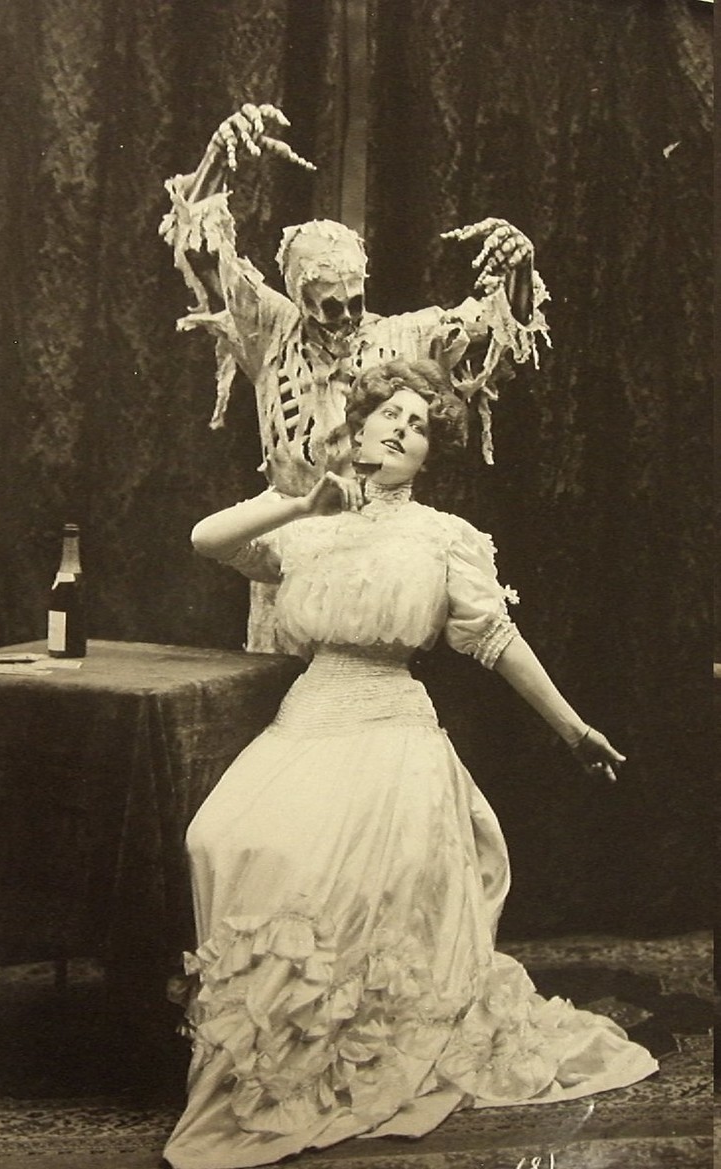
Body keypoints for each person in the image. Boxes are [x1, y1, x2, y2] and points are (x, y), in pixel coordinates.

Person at [162, 359, 657, 1169]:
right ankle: (271, 1048)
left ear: (429, 453)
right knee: (219, 838)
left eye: (418, 425)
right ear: (356, 428)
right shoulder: (308, 523)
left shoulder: (443, 537)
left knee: (319, 874)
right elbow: (205, 539)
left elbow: (496, 640)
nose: (400, 429)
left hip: (391, 730)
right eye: (388, 414)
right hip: (306, 721)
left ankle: (341, 1046)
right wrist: (301, 499)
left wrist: (574, 730)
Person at [159, 103, 550, 650]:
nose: (345, 318)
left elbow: (499, 327)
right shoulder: (270, 330)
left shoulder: (405, 338)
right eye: (328, 306)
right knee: (279, 684)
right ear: (298, 298)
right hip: (284, 553)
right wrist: (214, 160)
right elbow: (205, 252)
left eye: (355, 302)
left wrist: (519, 268)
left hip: (371, 563)